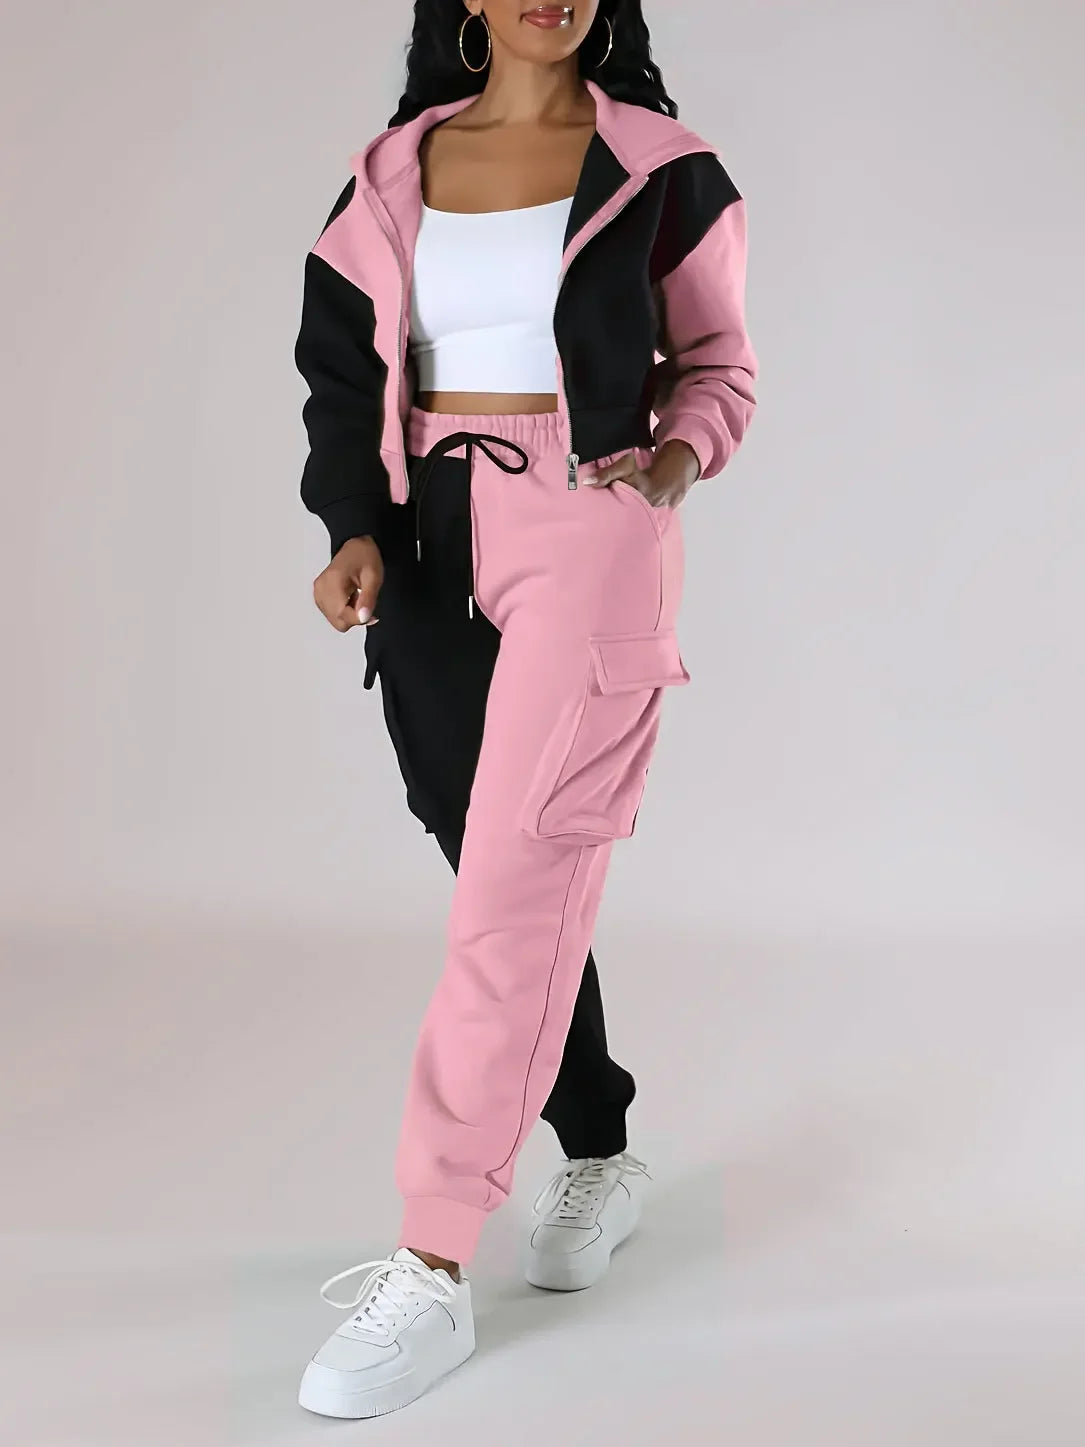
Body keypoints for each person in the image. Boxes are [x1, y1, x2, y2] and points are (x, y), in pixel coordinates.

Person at [293, 0, 756, 1418]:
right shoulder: (389, 170)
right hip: (425, 540)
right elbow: (341, 375)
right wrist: (352, 525)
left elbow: (719, 365)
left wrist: (668, 468)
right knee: (490, 864)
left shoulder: (663, 168)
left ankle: (431, 1258)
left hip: (586, 531)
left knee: (515, 884)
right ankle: (600, 1143)